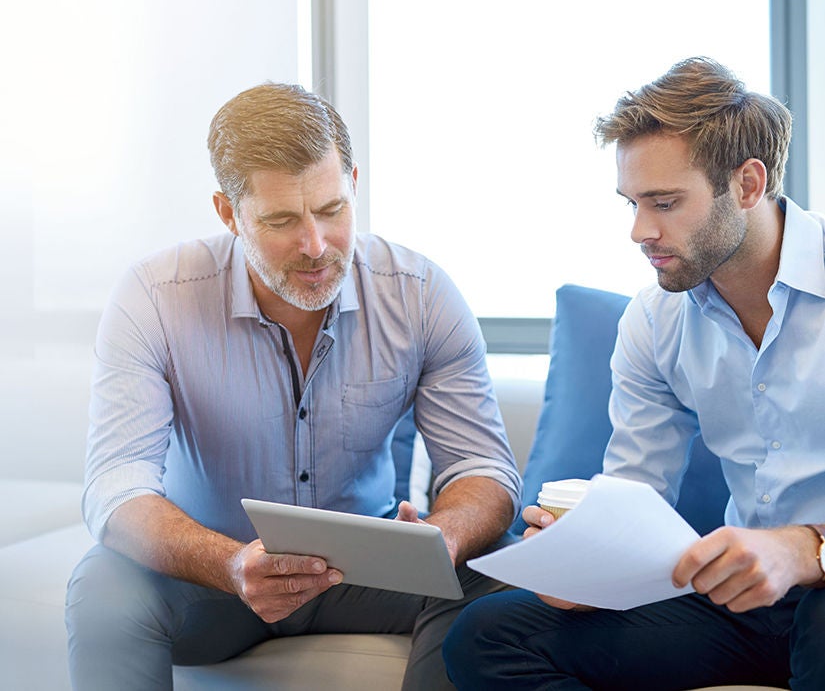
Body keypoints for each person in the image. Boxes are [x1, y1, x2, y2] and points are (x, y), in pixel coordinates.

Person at [65, 82, 522, 691]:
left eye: (332, 210)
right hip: (212, 577)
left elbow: (483, 467)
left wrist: (446, 535)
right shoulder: (154, 297)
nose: (315, 246)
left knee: (499, 571)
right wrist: (230, 564)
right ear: (229, 213)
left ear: (353, 181)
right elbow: (116, 486)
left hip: (370, 575)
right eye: (281, 220)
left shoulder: (420, 293)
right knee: (102, 588)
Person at [442, 56, 825, 690]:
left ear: (749, 184)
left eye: (665, 203)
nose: (640, 231)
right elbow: (637, 494)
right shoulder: (656, 319)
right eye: (633, 203)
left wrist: (807, 550)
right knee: (487, 638)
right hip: (742, 606)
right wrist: (589, 563)